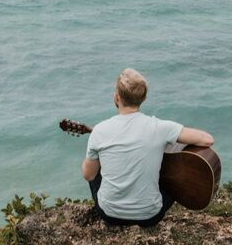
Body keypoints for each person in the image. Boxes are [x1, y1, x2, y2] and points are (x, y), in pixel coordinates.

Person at [81, 68, 214, 227]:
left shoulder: (99, 131)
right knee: (169, 182)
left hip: (109, 214)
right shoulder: (160, 127)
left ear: (116, 97)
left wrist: (103, 156)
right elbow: (207, 140)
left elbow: (88, 176)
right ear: (144, 98)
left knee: (92, 167)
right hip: (150, 216)